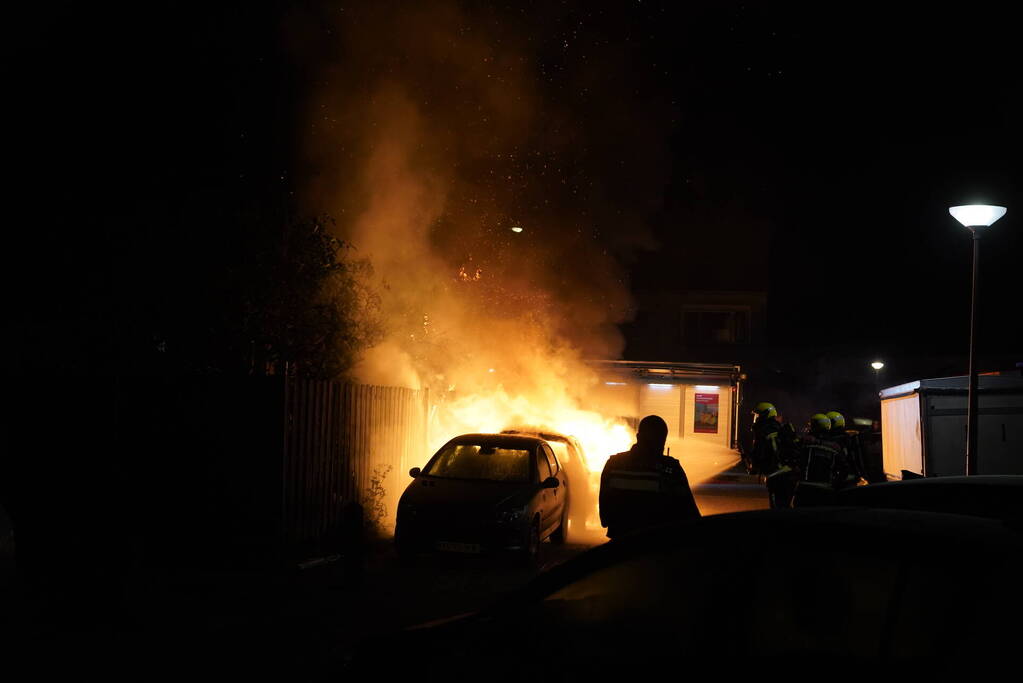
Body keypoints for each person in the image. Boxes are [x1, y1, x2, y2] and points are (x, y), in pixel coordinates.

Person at [599, 415, 700, 539]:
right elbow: (690, 513)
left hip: (620, 543)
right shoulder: (671, 469)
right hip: (654, 546)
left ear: (638, 437)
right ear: (663, 441)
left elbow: (604, 517)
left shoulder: (613, 464)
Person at [748, 402, 782, 475]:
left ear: (764, 415)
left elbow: (762, 451)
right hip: (773, 470)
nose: (756, 418)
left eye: (758, 415)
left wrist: (755, 464)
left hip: (775, 471)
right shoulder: (769, 429)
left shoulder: (767, 431)